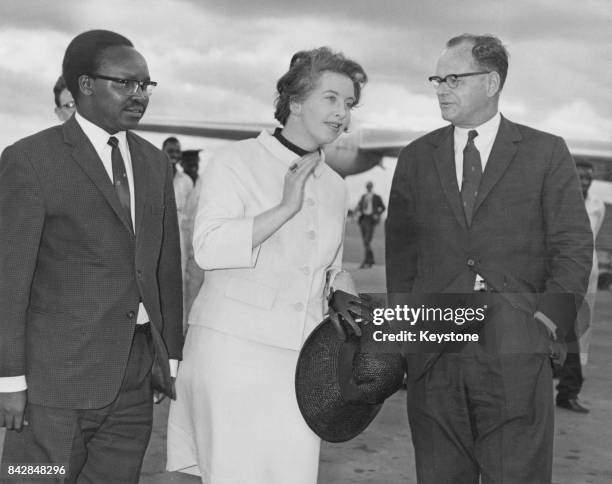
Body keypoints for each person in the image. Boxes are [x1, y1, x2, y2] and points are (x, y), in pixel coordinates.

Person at [385, 34, 592, 483]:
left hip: (517, 354)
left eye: (454, 78)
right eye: (437, 78)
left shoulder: (546, 152)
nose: (441, 88)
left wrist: (546, 328)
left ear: (492, 81)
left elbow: (572, 247)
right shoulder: (416, 157)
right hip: (435, 357)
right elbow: (401, 256)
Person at [167, 47, 368, 483]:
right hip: (232, 356)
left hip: (303, 366)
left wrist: (343, 287)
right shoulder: (234, 162)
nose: (342, 114)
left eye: (349, 104)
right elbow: (209, 248)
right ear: (295, 102)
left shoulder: (334, 185)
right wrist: (284, 208)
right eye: (331, 98)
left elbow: (330, 265)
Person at [0, 30, 183, 483]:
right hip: (51, 389)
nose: (140, 95)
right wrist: (9, 380)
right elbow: (9, 281)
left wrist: (168, 358)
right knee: (33, 478)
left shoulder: (155, 163)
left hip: (134, 381)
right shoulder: (30, 160)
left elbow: (164, 267)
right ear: (85, 85)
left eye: (146, 85)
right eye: (126, 83)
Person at [556, 160, 606, 413]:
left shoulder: (597, 205)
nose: (585, 181)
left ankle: (568, 390)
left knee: (578, 334)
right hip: (561, 273)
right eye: (580, 176)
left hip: (589, 274)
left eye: (589, 177)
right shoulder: (558, 200)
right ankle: (558, 388)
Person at [163, 136, 194, 332]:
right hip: (158, 232)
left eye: (177, 152)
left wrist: (190, 248)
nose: (174, 155)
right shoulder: (154, 175)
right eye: (170, 151)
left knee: (178, 282)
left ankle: (176, 331)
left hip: (180, 239)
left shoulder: (187, 181)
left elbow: (190, 216)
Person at [355, 180, 385, 268]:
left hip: (370, 220)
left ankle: (366, 262)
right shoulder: (363, 196)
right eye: (367, 186)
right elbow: (359, 206)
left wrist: (377, 214)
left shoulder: (376, 197)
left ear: (372, 187)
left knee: (366, 241)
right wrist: (355, 213)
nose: (368, 187)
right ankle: (371, 260)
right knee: (365, 242)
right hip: (363, 219)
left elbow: (383, 207)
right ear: (366, 187)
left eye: (370, 186)